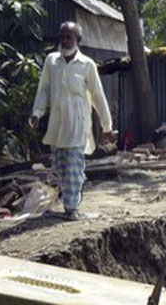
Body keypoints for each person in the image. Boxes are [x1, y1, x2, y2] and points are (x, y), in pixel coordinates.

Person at [30, 21, 114, 221]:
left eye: (69, 36)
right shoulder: (52, 62)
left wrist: (107, 126)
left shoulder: (87, 65)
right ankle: (68, 203)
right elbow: (44, 90)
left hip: (78, 125)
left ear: (78, 39)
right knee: (60, 169)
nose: (65, 40)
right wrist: (37, 113)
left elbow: (98, 97)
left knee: (74, 169)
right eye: (63, 36)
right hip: (57, 126)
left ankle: (71, 208)